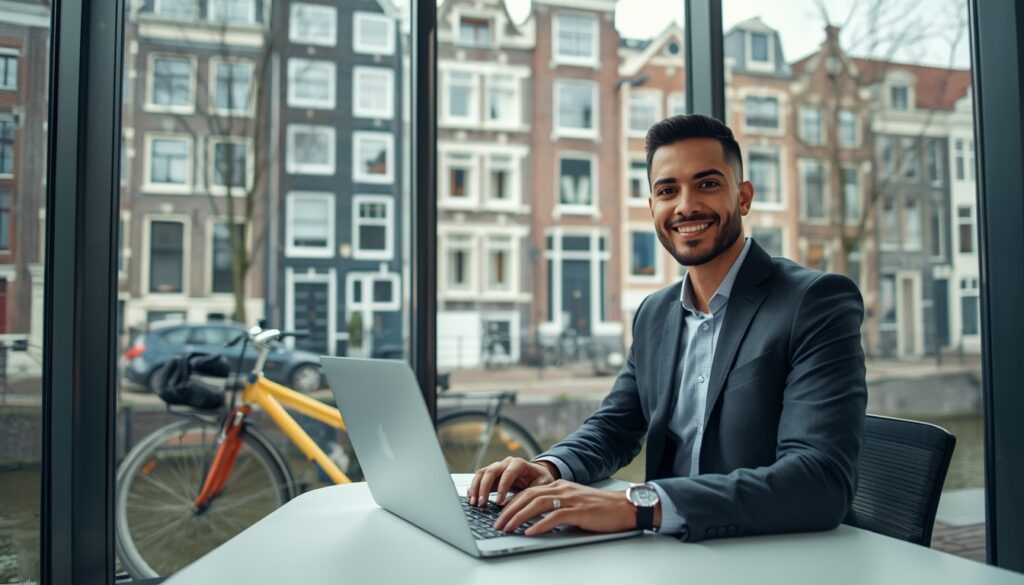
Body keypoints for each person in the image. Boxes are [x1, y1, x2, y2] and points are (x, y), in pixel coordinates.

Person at [468, 114, 867, 542]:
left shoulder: (816, 301)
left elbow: (820, 481)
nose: (685, 206)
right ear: (653, 207)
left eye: (708, 184)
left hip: (766, 554)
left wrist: (638, 505)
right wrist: (548, 467)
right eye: (667, 190)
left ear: (744, 197)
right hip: (669, 553)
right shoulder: (654, 313)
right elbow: (614, 427)